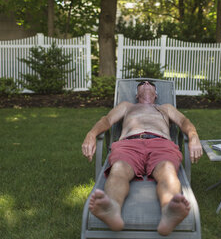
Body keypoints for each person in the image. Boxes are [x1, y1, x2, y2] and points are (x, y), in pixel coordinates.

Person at [82, 80, 203, 236]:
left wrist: (193, 136)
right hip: (129, 143)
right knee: (119, 169)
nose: (146, 82)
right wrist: (91, 134)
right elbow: (107, 120)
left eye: (150, 83)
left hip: (161, 143)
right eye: (142, 83)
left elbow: (183, 121)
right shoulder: (127, 106)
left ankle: (169, 211)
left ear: (156, 94)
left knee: (167, 170)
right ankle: (111, 208)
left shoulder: (165, 108)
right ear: (136, 94)